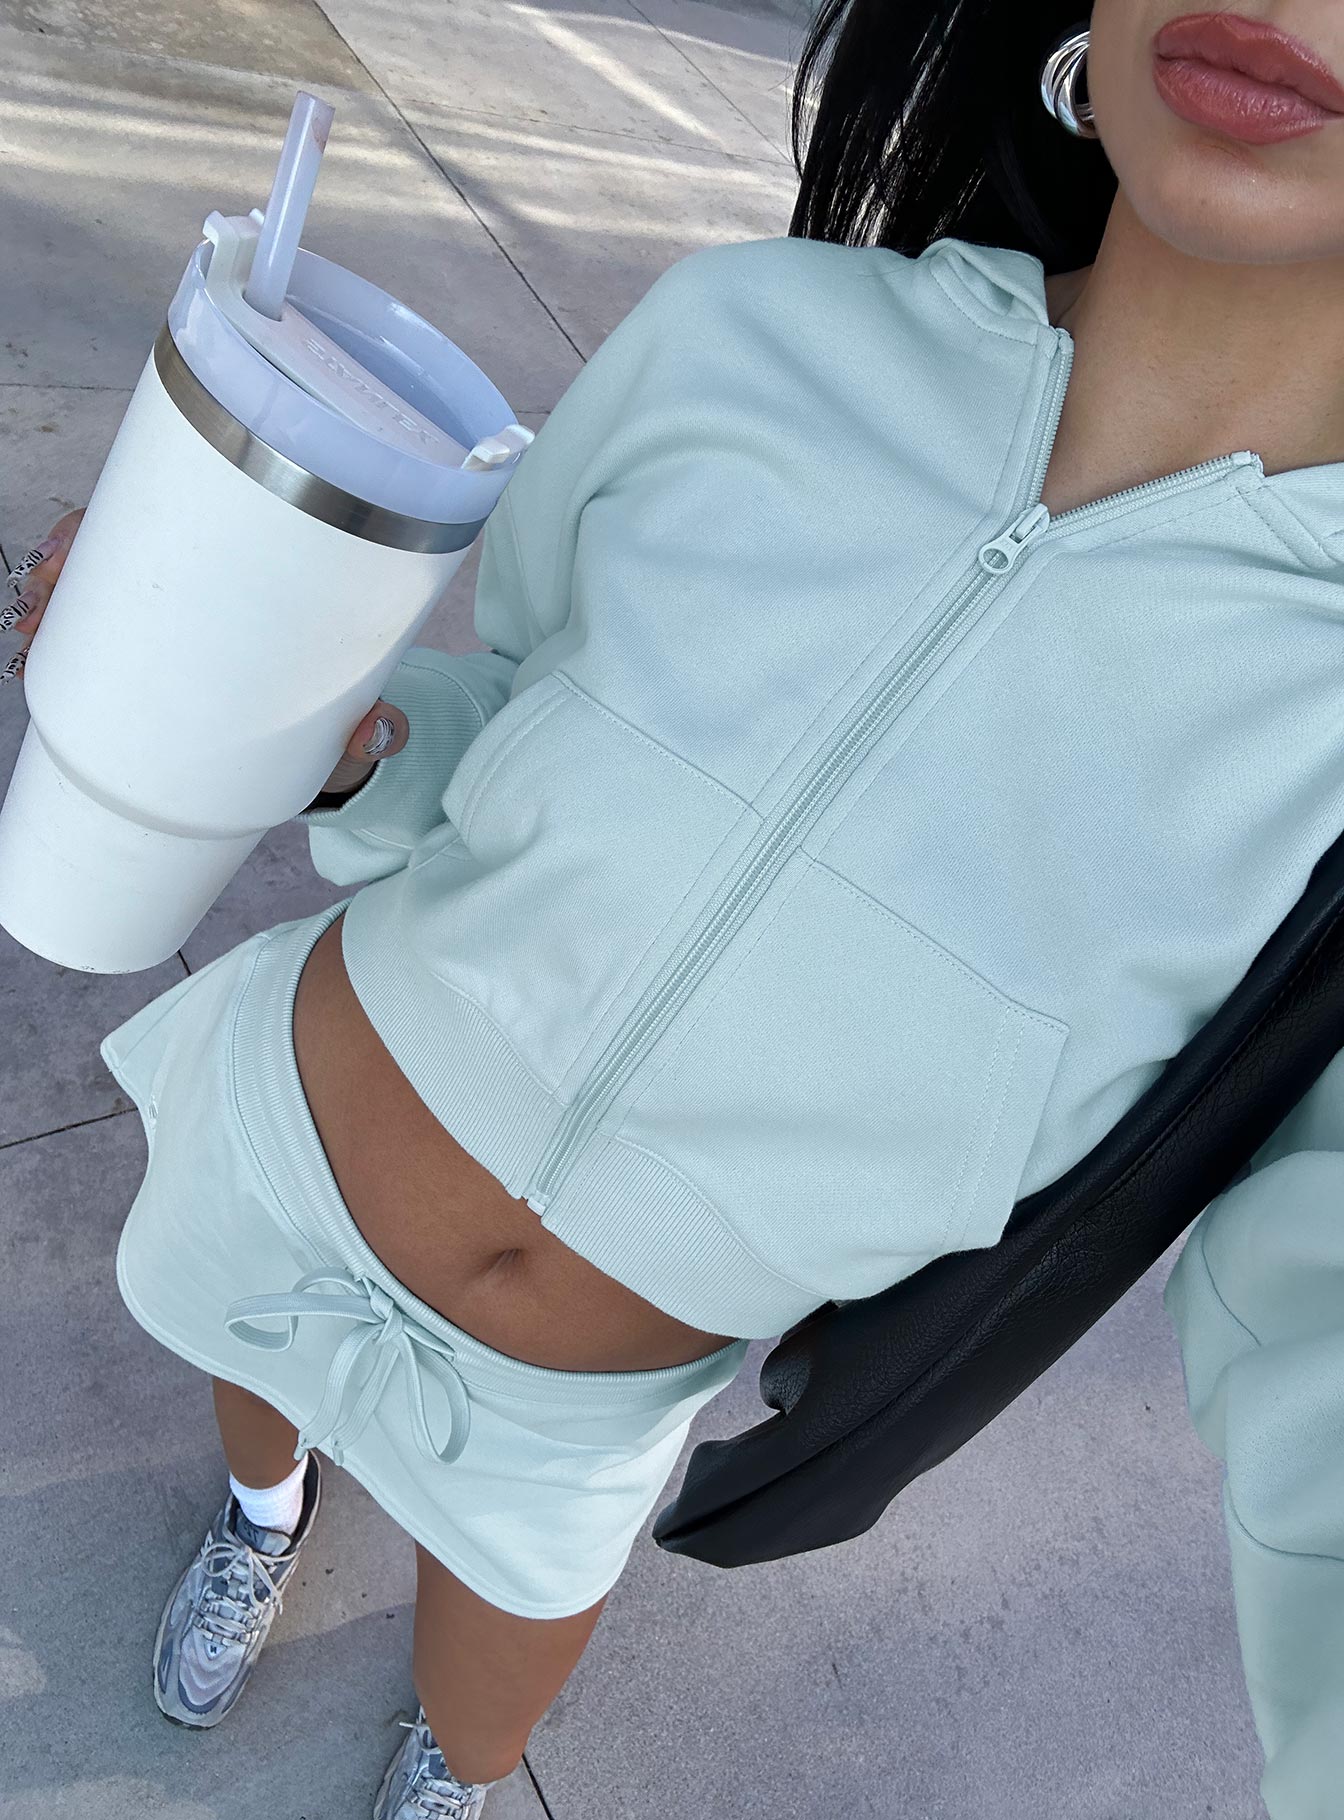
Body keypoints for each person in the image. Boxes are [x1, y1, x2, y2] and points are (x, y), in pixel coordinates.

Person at [6, 0, 1344, 1812]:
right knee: (251, 1382)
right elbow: (514, 707)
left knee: (492, 1686)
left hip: (582, 1400)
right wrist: (335, 737)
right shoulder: (753, 332)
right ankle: (264, 1512)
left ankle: (456, 1772)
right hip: (291, 1135)